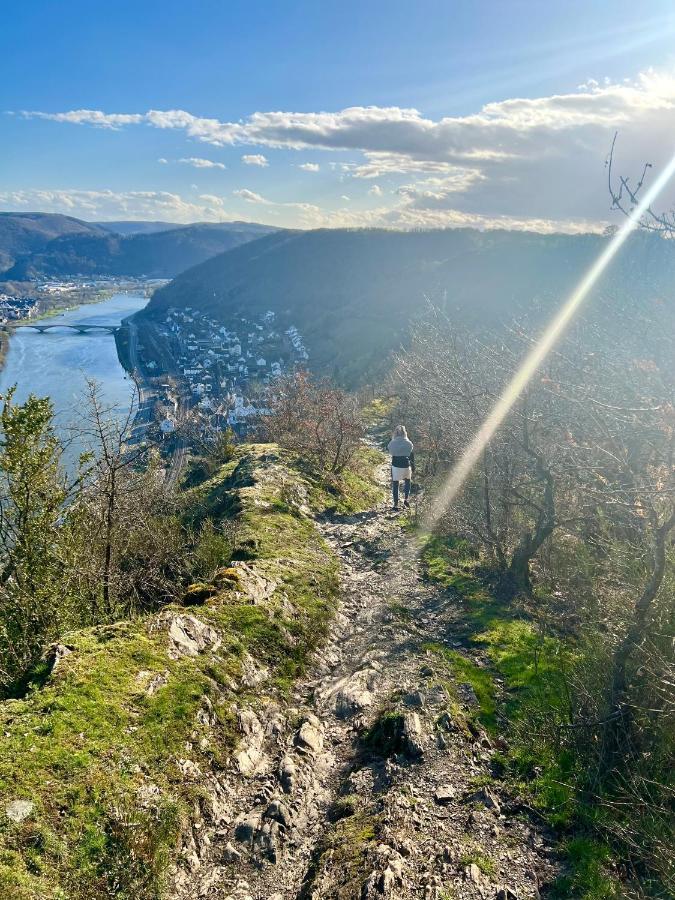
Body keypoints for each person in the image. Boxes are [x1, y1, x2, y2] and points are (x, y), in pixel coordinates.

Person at [387, 425, 415, 509]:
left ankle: (395, 504)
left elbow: (389, 450)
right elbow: (411, 454)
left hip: (396, 465)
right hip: (406, 465)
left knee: (395, 483)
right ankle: (406, 499)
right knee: (407, 482)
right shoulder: (409, 443)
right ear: (405, 433)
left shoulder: (392, 443)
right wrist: (414, 467)